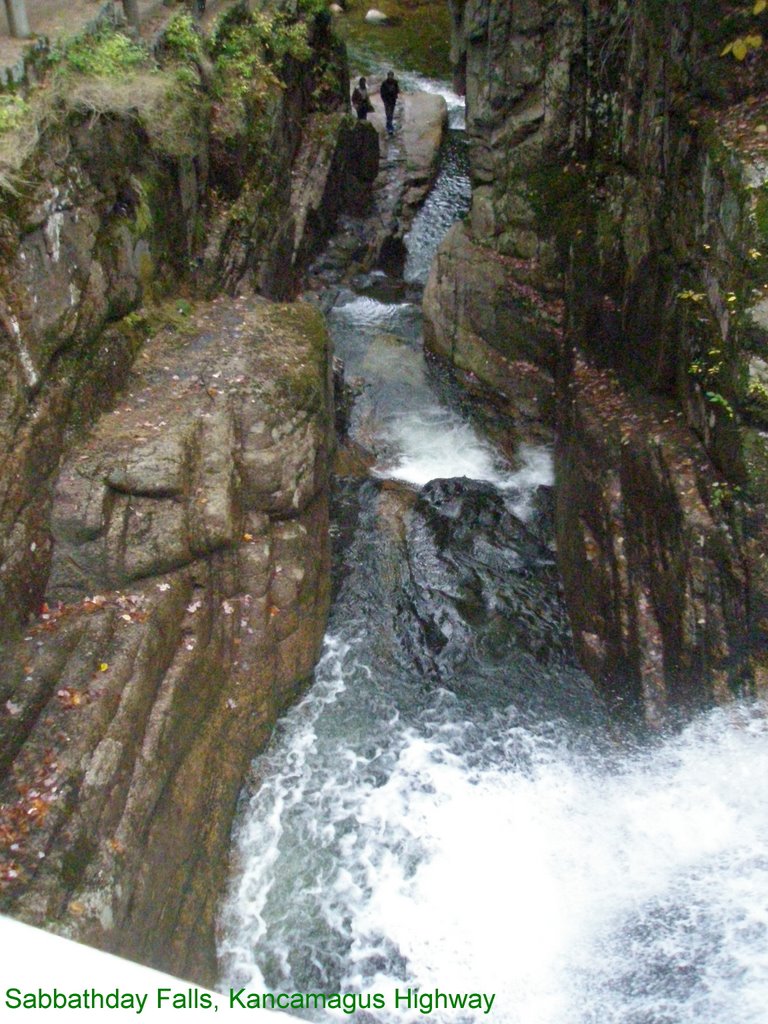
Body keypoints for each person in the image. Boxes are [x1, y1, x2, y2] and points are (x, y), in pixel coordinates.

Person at [380, 70, 400, 135]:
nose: (390, 77)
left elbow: (397, 90)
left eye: (392, 76)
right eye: (389, 76)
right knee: (388, 114)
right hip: (387, 101)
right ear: (388, 76)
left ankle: (389, 124)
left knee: (391, 113)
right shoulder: (384, 83)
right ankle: (390, 127)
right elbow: (381, 92)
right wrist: (384, 100)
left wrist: (396, 95)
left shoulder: (395, 83)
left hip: (393, 101)